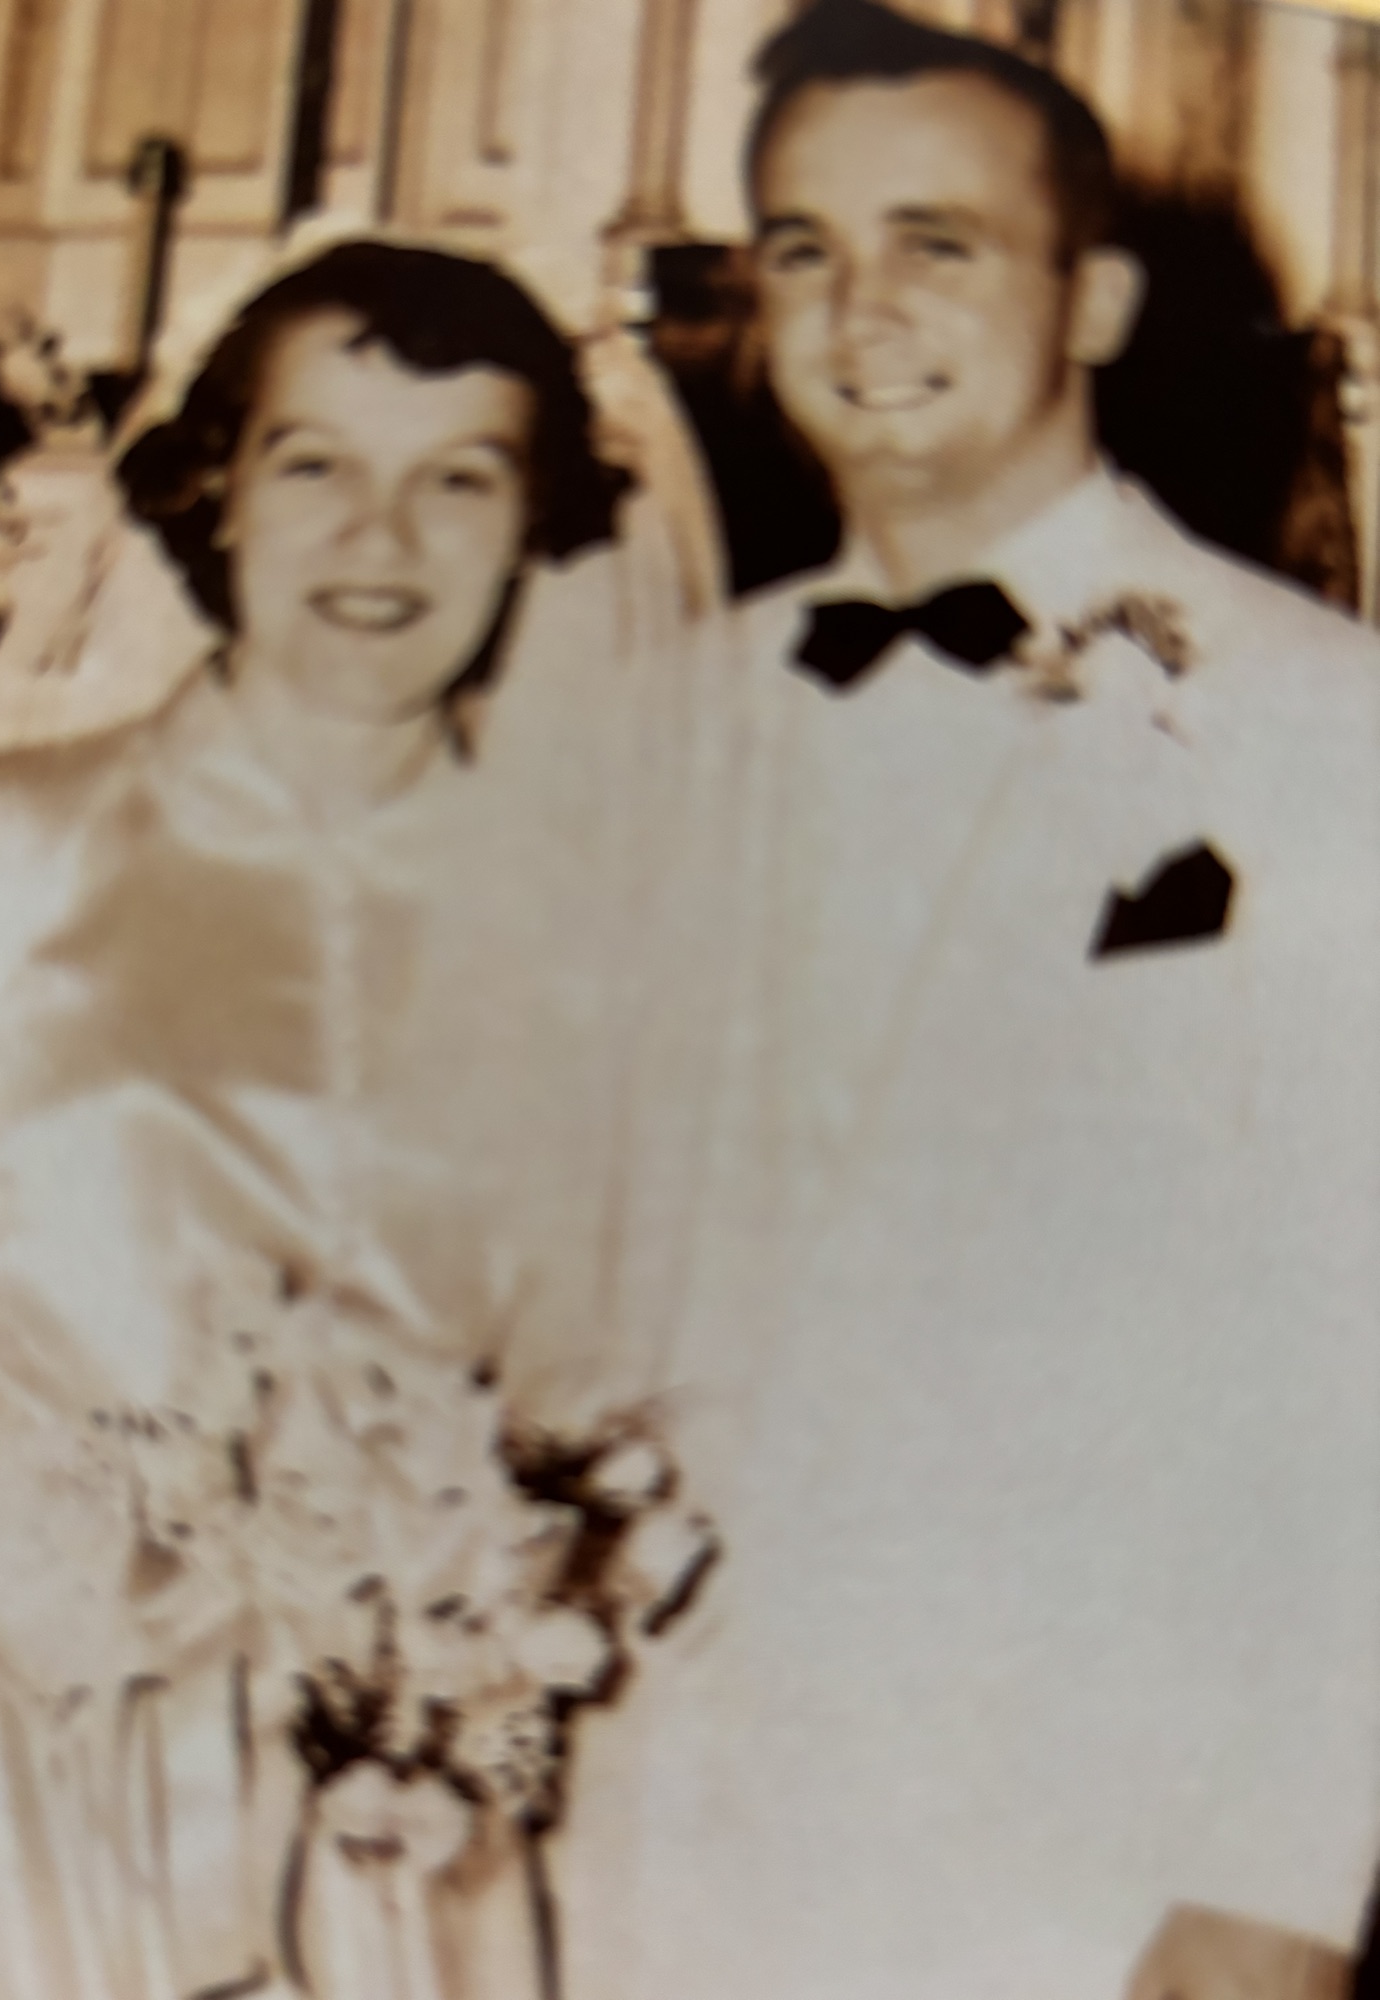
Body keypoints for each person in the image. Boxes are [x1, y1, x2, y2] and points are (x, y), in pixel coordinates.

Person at [550, 7, 1380, 1998]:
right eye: (805, 249)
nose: (863, 311)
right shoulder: (649, 727)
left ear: (1095, 299)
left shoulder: (1320, 725)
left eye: (940, 244)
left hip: (1085, 1844)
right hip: (656, 1832)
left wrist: (1281, 1870)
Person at [0, 238, 702, 2000]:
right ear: (218, 490)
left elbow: (649, 1377)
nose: (381, 540)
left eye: (459, 480)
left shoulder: (605, 931)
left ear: (534, 521)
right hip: (44, 1785)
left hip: (424, 1816)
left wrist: (539, 1577)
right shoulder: (3, 850)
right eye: (316, 464)